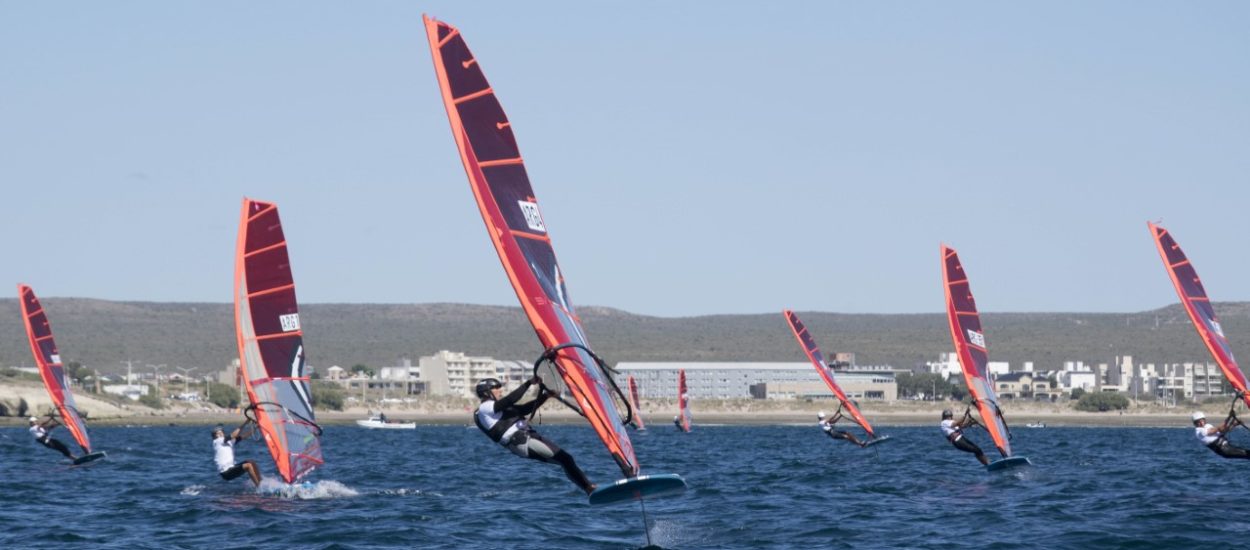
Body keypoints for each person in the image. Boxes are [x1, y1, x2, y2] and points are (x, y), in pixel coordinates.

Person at [474, 377, 596, 495]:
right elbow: (510, 400)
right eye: (496, 388)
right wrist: (528, 383)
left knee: (565, 460)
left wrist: (545, 396)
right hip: (521, 441)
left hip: (528, 437)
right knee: (565, 459)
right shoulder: (485, 408)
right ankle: (589, 488)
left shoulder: (498, 409)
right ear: (486, 392)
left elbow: (525, 409)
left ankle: (589, 489)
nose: (500, 390)